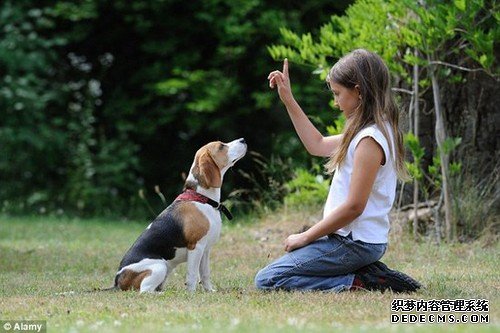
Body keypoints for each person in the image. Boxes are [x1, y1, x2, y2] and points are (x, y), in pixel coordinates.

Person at [255, 49, 421, 292]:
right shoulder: (370, 131)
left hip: (354, 244)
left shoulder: (369, 140)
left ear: (359, 91)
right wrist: (288, 98)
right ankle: (364, 272)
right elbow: (317, 145)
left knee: (268, 280)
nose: (335, 102)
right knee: (277, 273)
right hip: (354, 241)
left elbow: (355, 206)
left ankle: (361, 281)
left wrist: (306, 236)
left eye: (338, 94)